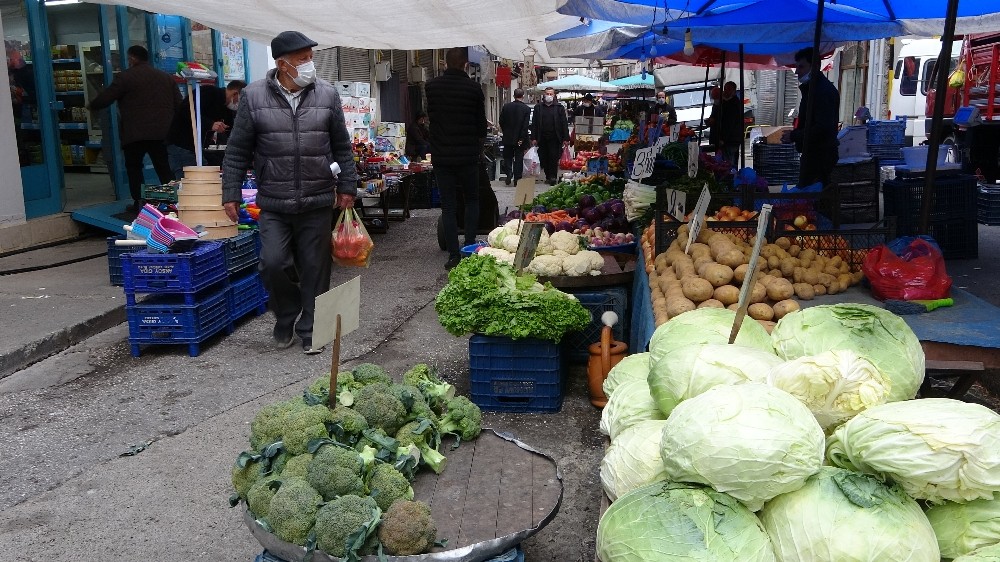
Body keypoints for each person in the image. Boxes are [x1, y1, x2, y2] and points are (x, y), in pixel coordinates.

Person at [221, 31, 358, 354]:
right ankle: (286, 314)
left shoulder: (326, 95)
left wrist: (348, 185)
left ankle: (312, 328)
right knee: (272, 262)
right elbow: (238, 149)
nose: (310, 64)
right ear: (283, 65)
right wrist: (231, 192)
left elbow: (341, 144)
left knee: (315, 267)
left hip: (317, 197)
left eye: (311, 57)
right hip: (274, 200)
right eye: (302, 59)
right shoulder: (254, 97)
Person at [89, 45, 180, 211]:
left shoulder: (125, 77)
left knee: (134, 168)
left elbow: (107, 97)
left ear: (131, 58)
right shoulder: (166, 78)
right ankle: (172, 202)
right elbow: (178, 104)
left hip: (135, 134)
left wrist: (91, 105)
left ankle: (139, 203)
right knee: (163, 167)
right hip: (161, 133)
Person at [425, 47, 488, 270]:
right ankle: (469, 246)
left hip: (442, 157)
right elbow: (482, 126)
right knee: (472, 200)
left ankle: (453, 255)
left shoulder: (431, 87)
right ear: (465, 64)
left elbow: (432, 119)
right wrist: (478, 148)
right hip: (468, 156)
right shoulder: (474, 89)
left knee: (448, 206)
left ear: (445, 63)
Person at [782, 47, 841, 187]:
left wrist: (795, 136)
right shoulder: (812, 89)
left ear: (814, 66)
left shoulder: (822, 91)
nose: (797, 72)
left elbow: (822, 127)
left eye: (801, 67)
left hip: (820, 156)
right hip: (813, 154)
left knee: (813, 198)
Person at [166, 80, 245, 179]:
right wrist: (210, 124)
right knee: (190, 181)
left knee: (203, 178)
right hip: (182, 145)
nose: (238, 105)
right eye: (240, 101)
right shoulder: (209, 92)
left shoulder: (226, 108)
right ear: (235, 93)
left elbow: (232, 129)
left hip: (199, 149)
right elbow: (186, 111)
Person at [530, 86, 569, 186]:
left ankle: (553, 177)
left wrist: (566, 138)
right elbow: (534, 123)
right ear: (544, 95)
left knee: (553, 157)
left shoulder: (559, 108)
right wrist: (533, 137)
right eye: (547, 93)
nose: (549, 96)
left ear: (554, 95)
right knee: (544, 157)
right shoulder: (538, 107)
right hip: (541, 137)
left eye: (551, 94)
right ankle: (547, 176)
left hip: (555, 137)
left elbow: (564, 123)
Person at [498, 87, 530, 186]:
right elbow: (525, 126)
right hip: (519, 138)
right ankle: (517, 179)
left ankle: (508, 174)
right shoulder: (526, 109)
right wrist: (521, 138)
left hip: (507, 137)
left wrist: (505, 131)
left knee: (507, 157)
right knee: (519, 159)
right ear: (523, 96)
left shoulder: (506, 107)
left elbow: (501, 121)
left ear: (513, 96)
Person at [716, 81, 746, 165]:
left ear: (734, 91)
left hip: (731, 140)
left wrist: (723, 139)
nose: (725, 91)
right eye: (725, 89)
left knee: (729, 163)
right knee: (731, 161)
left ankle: (731, 176)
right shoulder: (727, 102)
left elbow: (729, 123)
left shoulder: (733, 104)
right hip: (732, 139)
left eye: (728, 89)